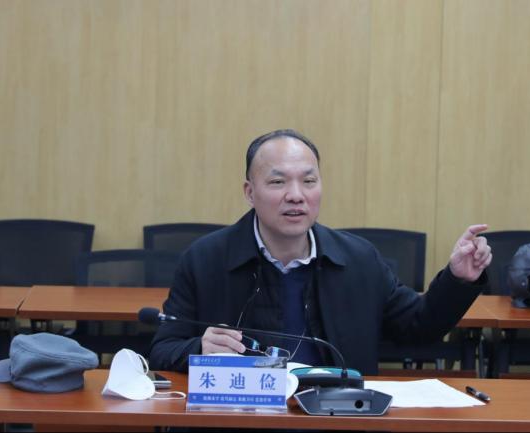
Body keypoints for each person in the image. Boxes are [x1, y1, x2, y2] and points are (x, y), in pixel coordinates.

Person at [149, 129, 492, 375]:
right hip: (242, 419)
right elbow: (162, 350)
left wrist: (458, 279)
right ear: (250, 192)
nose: (296, 195)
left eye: (309, 181)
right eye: (278, 182)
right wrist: (200, 349)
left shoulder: (358, 260)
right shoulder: (205, 259)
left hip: (335, 418)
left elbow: (418, 327)